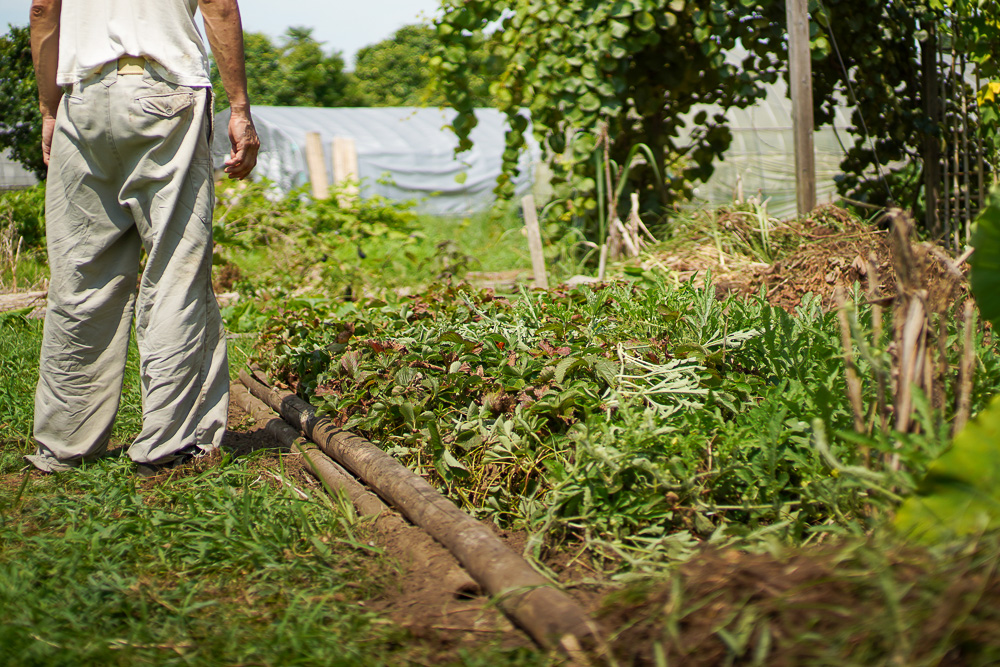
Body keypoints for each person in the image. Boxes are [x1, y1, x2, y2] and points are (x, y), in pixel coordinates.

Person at [25, 0, 260, 474]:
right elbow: (218, 5)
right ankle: (169, 443)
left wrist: (50, 109)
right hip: (166, 93)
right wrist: (239, 108)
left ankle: (64, 445)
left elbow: (42, 9)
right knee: (175, 269)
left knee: (80, 278)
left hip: (83, 98)